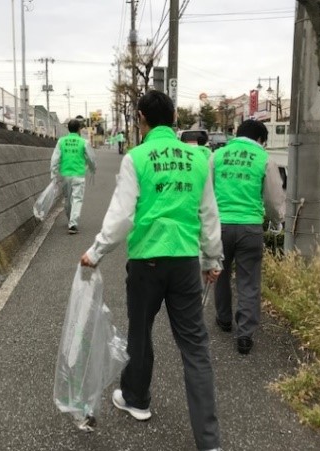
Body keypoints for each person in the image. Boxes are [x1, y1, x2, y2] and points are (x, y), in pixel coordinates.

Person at [81, 90, 223, 451]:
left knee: (140, 332)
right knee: (195, 347)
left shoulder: (137, 158)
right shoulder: (198, 157)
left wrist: (96, 251)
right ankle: (209, 441)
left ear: (141, 117)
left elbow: (122, 215)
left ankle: (137, 400)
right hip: (186, 261)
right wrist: (212, 260)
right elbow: (208, 212)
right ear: (174, 118)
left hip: (147, 261)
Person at [211, 119, 285, 354]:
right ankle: (244, 335)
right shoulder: (264, 159)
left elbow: (207, 192)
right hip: (250, 228)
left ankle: (223, 319)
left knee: (219, 272)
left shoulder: (217, 156)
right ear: (261, 139)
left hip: (221, 225)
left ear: (237, 134)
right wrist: (276, 221)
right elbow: (273, 199)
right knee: (249, 280)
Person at [50, 118, 96, 234]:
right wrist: (92, 169)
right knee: (77, 198)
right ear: (79, 129)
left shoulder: (61, 141)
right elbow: (91, 158)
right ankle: (73, 223)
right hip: (78, 174)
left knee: (67, 198)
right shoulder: (83, 142)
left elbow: (55, 159)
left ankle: (70, 219)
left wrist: (54, 174)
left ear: (68, 129)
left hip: (65, 174)